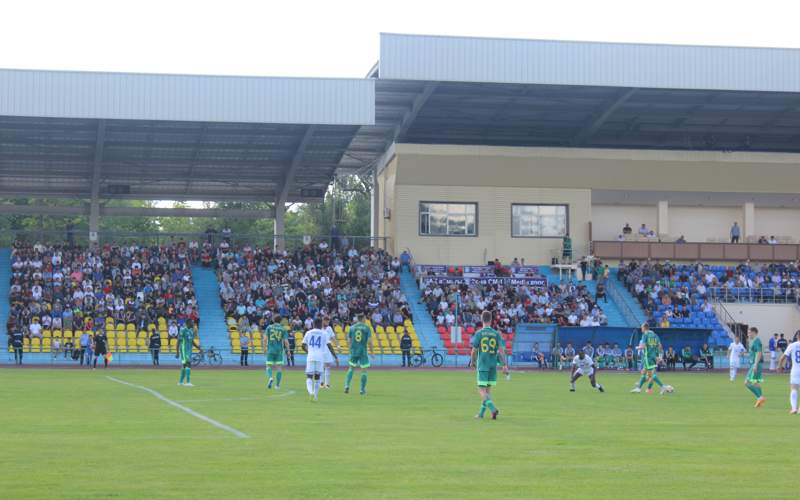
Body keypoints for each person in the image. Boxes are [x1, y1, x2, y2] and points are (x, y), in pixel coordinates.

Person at [470, 310, 509, 420]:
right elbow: (501, 350)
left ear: (482, 319)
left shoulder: (479, 333)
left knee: (481, 390)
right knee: (487, 391)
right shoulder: (496, 334)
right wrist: (504, 365)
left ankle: (493, 408)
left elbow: (473, 351)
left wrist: (472, 362)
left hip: (483, 364)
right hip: (493, 365)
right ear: (491, 320)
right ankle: (482, 414)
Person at [631, 323, 674, 394]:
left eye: (641, 327)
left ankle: (662, 386)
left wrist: (637, 347)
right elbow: (660, 346)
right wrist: (659, 356)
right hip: (653, 357)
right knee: (644, 372)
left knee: (651, 375)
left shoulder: (645, 335)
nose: (641, 329)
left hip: (648, 357)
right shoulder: (655, 335)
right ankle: (638, 388)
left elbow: (643, 346)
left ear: (644, 328)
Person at [302, 318, 338, 401]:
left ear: (313, 324)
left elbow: (303, 346)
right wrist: (335, 357)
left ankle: (311, 392)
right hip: (320, 357)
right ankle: (315, 396)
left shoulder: (308, 333)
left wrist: (308, 352)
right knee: (317, 377)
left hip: (310, 356)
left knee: (309, 377)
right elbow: (329, 346)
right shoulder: (324, 333)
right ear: (321, 324)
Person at [345, 314, 374, 395]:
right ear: (363, 318)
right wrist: (372, 352)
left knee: (351, 368)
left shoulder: (352, 327)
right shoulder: (367, 328)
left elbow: (349, 340)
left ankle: (347, 385)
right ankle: (362, 390)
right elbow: (369, 341)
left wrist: (350, 349)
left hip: (354, 350)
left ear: (357, 319)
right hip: (362, 351)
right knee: (364, 370)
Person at [263, 315, 290, 390]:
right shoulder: (283, 329)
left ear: (273, 320)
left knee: (268, 366)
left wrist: (264, 349)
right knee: (279, 368)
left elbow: (265, 339)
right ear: (280, 321)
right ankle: (277, 386)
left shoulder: (269, 327)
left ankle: (270, 378)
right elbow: (286, 341)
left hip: (270, 350)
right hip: (279, 351)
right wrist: (288, 351)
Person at [777, 333, 800, 414]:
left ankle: (794, 408)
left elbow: (782, 357)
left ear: (797, 336)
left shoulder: (792, 345)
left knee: (794, 389)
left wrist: (779, 367)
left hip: (795, 370)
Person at [744, 327, 766, 408]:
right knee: (756, 382)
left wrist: (755, 364)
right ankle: (760, 400)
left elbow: (759, 352)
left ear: (754, 332)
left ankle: (760, 397)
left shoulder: (757, 341)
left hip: (756, 364)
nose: (748, 334)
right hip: (756, 364)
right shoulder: (754, 341)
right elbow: (754, 353)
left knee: (747, 382)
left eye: (749, 332)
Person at [177, 319, 200, 386]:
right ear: (188, 323)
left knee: (184, 365)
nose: (193, 324)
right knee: (188, 364)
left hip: (189, 351)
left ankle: (180, 382)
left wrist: (198, 348)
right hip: (184, 350)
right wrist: (177, 352)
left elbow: (192, 341)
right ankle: (188, 382)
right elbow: (178, 341)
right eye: (192, 323)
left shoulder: (191, 331)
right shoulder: (183, 330)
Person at [321, 318, 340, 389]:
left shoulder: (329, 328)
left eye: (328, 321)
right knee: (321, 367)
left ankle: (327, 384)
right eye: (326, 320)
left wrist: (338, 345)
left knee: (328, 366)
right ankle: (321, 383)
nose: (327, 322)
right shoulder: (319, 328)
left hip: (327, 349)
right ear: (323, 321)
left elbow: (333, 338)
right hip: (320, 349)